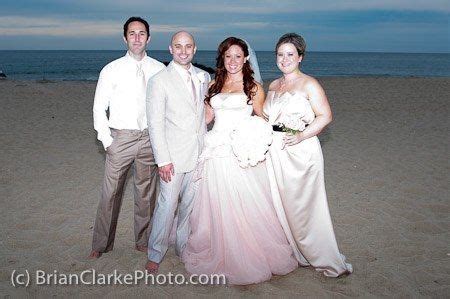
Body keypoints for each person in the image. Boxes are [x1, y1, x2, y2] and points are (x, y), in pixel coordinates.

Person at [182, 37, 297, 285]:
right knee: (216, 203)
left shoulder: (253, 87)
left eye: (237, 56)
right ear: (222, 59)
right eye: (227, 56)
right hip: (215, 150)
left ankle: (250, 254)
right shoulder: (213, 85)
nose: (232, 61)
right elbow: (206, 119)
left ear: (245, 58)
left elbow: (264, 118)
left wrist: (291, 129)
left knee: (246, 204)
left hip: (241, 153)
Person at [263, 33, 353, 277]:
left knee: (304, 206)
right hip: (275, 152)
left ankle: (323, 255)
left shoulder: (309, 84)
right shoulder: (272, 85)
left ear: (300, 57)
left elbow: (326, 116)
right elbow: (266, 119)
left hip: (300, 152)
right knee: (281, 203)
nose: (285, 59)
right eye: (280, 54)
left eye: (290, 54)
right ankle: (296, 251)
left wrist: (302, 135)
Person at [89, 17, 165, 258]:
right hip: (120, 138)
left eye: (141, 33)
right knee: (110, 193)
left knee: (146, 194)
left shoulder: (159, 69)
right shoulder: (111, 69)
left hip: (148, 139)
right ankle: (101, 245)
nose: (137, 38)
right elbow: (98, 108)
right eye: (132, 33)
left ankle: (142, 240)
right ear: (125, 38)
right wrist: (107, 141)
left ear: (148, 38)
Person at [145, 31, 211, 273]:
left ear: (194, 49)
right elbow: (155, 124)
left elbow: (204, 114)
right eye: (178, 46)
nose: (183, 51)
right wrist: (162, 160)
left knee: (189, 208)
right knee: (167, 205)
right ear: (170, 49)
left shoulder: (204, 76)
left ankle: (182, 246)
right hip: (172, 157)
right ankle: (155, 252)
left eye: (188, 46)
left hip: (200, 154)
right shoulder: (159, 80)